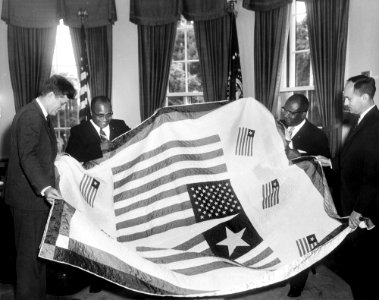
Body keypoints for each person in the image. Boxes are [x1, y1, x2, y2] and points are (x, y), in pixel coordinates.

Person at [5, 75, 76, 299]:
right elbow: (28, 157)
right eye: (62, 102)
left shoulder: (40, 116)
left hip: (35, 201)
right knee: (28, 263)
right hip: (29, 201)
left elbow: (41, 154)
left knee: (39, 257)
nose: (62, 108)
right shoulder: (30, 116)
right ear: (51, 95)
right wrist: (45, 188)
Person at [316, 75, 379, 300]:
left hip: (362, 210)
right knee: (356, 265)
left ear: (365, 97)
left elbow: (373, 176)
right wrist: (331, 161)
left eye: (348, 98)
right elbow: (352, 156)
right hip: (352, 203)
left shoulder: (375, 126)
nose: (345, 103)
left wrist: (359, 210)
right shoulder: (361, 118)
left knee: (364, 268)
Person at [279, 94, 331, 298]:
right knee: (284, 238)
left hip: (304, 198)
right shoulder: (280, 127)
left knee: (300, 241)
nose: (286, 115)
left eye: (291, 113)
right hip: (283, 194)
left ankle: (297, 284)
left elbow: (324, 173)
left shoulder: (317, 136)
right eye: (285, 109)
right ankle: (288, 271)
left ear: (303, 113)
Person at [65, 95, 130, 165]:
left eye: (108, 114)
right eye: (100, 115)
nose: (105, 119)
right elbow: (71, 156)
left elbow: (134, 140)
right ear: (91, 112)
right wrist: (99, 148)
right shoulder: (79, 131)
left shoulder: (120, 125)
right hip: (94, 174)